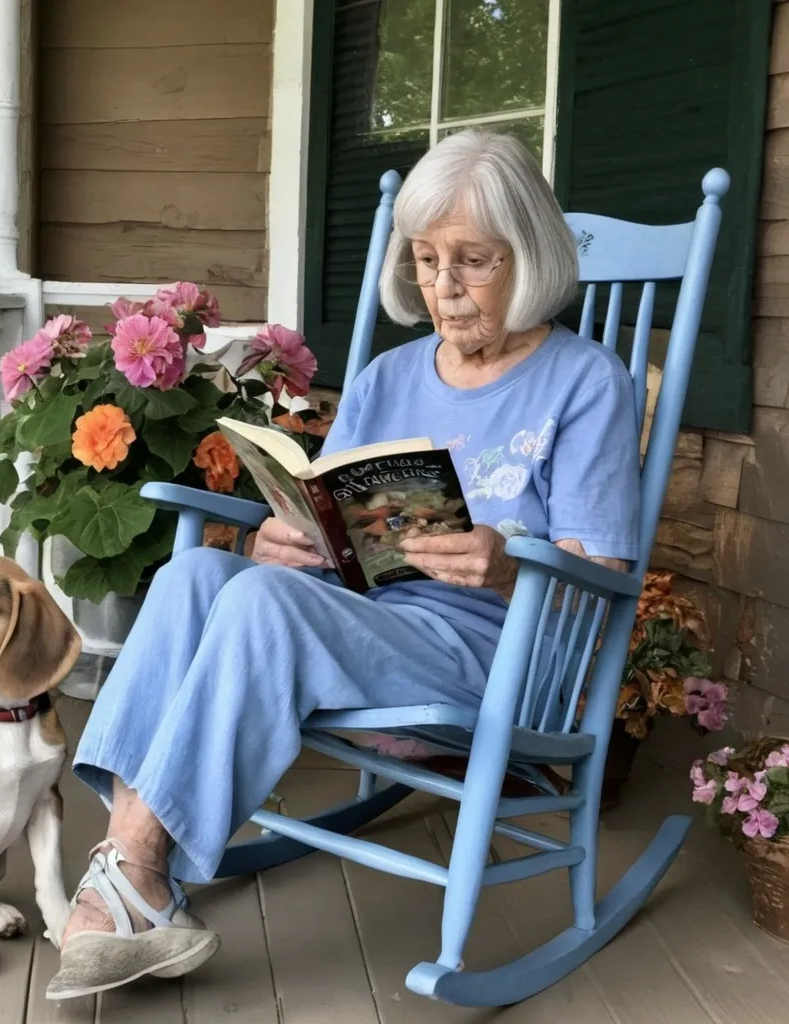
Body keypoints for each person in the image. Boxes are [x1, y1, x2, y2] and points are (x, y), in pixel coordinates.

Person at [45, 129, 642, 1001]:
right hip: (366, 616)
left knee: (263, 608)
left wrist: (509, 562)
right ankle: (138, 871)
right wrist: (280, 538)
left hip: (484, 653)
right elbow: (334, 508)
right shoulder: (388, 377)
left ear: (534, 257)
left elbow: (607, 565)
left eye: (472, 260)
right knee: (196, 577)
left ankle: (129, 875)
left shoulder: (588, 382)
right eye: (427, 258)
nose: (442, 285)